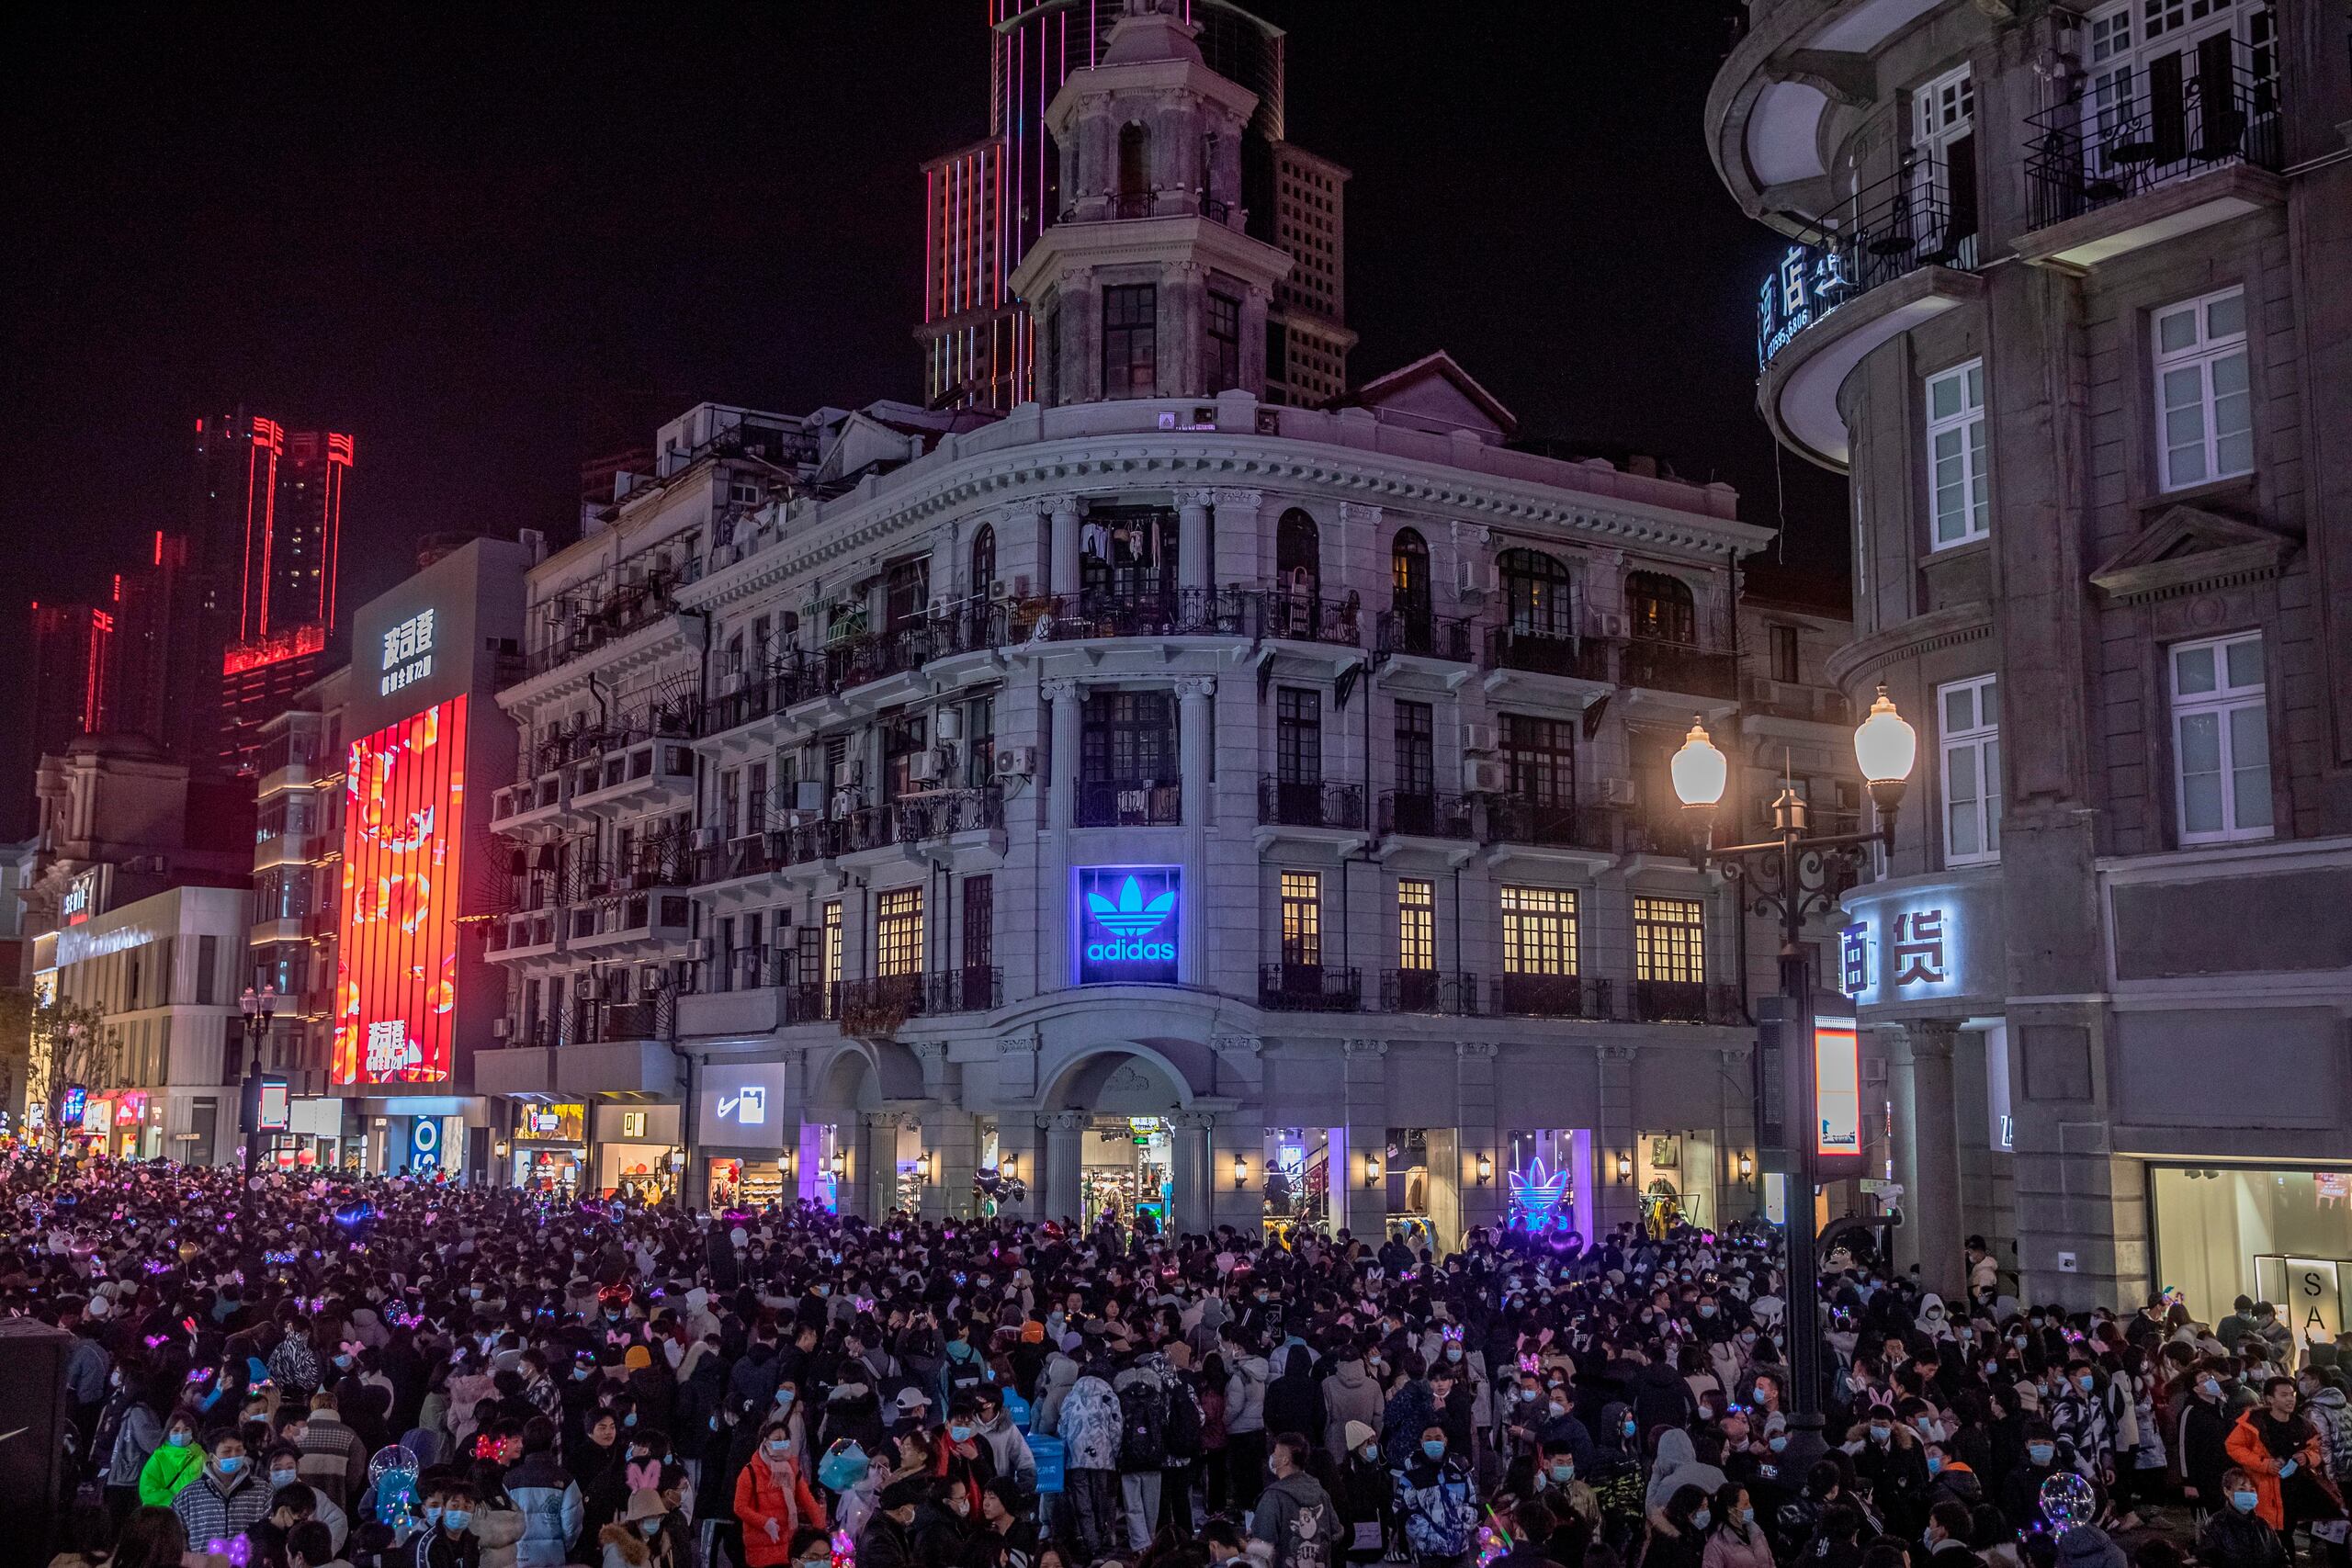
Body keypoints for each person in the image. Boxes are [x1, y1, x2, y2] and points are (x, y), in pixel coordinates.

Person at [734, 1420, 827, 1567]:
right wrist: (765, 1523)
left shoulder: (791, 1470)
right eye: (777, 1440)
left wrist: (820, 1532)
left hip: (786, 1548)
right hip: (760, 1550)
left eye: (785, 1440)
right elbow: (739, 1507)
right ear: (765, 1441)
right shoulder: (750, 1472)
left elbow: (807, 1500)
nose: (782, 1444)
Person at [1391, 1423, 1476, 1568]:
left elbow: (1472, 1499)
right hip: (1429, 1553)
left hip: (1459, 1549)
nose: (1433, 1442)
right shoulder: (1411, 1474)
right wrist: (1426, 1533)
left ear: (1445, 1440)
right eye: (1428, 1439)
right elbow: (1401, 1510)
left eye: (1438, 1438)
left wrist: (1466, 1521)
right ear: (1422, 1442)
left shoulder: (1458, 1467)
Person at [503, 1417, 584, 1568]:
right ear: (552, 1443)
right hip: (553, 1557)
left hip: (518, 1557)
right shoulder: (565, 1479)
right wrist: (563, 1546)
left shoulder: (510, 1479)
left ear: (525, 1443)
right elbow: (572, 1523)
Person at [173, 1429, 271, 1549]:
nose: (234, 1455)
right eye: (227, 1451)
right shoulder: (189, 1495)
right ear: (212, 1457)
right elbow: (176, 1536)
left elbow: (269, 1532)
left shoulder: (262, 1490)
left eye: (239, 1450)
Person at [1251, 1432, 1338, 1568]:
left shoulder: (1273, 1497)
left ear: (1285, 1460)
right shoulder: (1321, 1493)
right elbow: (1337, 1531)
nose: (1272, 1457)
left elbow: (1262, 1544)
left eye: (1275, 1452)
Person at [2199, 1471, 2289, 1568]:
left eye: (2252, 1490)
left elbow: (2281, 1558)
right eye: (2242, 1489)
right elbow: (2206, 1562)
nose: (2248, 1494)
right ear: (2227, 1491)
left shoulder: (2263, 1525)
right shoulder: (2214, 1525)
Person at [140, 1409, 209, 1509]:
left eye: (186, 1430)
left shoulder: (201, 1455)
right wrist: (175, 1503)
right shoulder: (159, 1457)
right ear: (168, 1432)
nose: (181, 1434)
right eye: (176, 1430)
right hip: (167, 1515)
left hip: (195, 1512)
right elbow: (147, 1489)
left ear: (192, 1432)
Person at [1702, 1483, 1774, 1568]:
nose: (1750, 1507)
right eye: (1745, 1504)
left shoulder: (1757, 1533)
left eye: (1749, 1502)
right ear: (1731, 1509)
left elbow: (1770, 1562)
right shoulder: (1716, 1545)